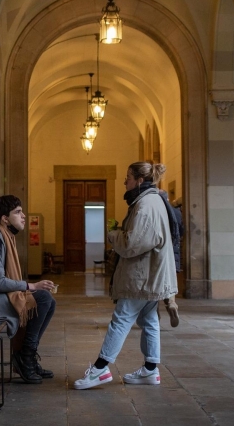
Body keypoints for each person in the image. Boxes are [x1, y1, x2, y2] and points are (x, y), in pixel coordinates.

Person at [74, 162, 178, 390]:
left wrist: (113, 234)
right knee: (149, 320)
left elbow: (132, 244)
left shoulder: (147, 204)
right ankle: (150, 371)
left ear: (139, 180)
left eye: (128, 177)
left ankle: (100, 370)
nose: (124, 181)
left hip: (142, 276)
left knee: (121, 319)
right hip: (150, 274)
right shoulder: (149, 200)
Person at [0, 195, 56, 384]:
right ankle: (24, 357)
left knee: (48, 301)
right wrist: (31, 285)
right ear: (4, 218)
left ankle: (26, 355)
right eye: (17, 212)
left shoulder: (5, 237)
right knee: (41, 298)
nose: (23, 216)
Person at [158, 189, 183, 327]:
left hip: (158, 252)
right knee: (169, 282)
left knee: (154, 285)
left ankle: (155, 315)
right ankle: (172, 305)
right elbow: (181, 232)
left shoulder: (156, 210)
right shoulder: (177, 212)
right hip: (173, 253)